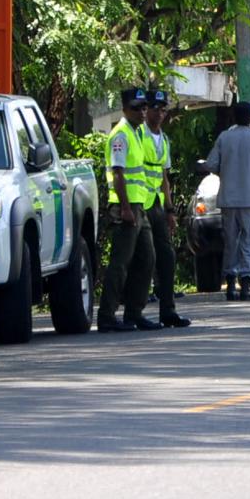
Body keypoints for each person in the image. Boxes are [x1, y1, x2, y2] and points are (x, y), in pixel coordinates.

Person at [96, 88, 158, 332]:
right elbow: (119, 173)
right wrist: (124, 208)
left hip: (139, 205)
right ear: (124, 110)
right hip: (126, 207)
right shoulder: (120, 134)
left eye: (144, 107)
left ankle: (134, 313)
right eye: (137, 108)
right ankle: (107, 316)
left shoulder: (139, 132)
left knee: (147, 259)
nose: (142, 112)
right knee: (120, 264)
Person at [205, 100, 250, 300]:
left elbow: (211, 164)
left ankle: (230, 286)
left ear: (233, 118)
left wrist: (224, 171)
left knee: (230, 243)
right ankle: (245, 286)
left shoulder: (224, 137)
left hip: (228, 199)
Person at [142, 89, 192, 328]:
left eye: (163, 109)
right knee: (142, 259)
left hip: (157, 205)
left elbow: (164, 177)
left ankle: (168, 310)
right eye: (155, 108)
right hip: (138, 204)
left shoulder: (163, 139)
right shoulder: (138, 135)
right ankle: (136, 311)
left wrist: (170, 210)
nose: (160, 114)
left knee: (167, 257)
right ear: (146, 110)